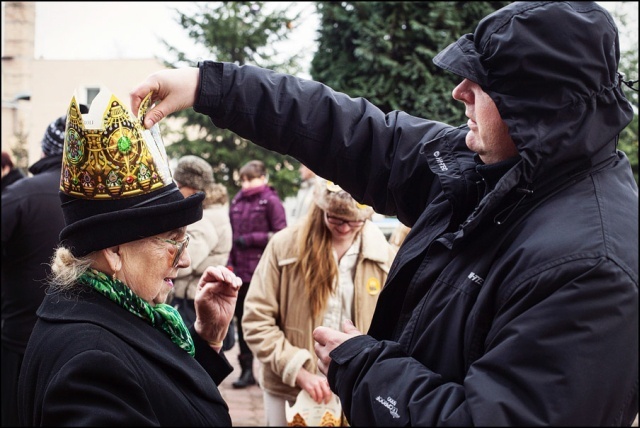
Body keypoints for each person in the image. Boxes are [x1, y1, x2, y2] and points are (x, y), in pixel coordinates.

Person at [130, 2, 639, 425]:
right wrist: (209, 86)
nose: (459, 91)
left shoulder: (591, 267)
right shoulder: (489, 167)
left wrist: (362, 365)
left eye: (482, 84)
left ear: (536, 108)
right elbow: (351, 131)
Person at [17, 92, 242, 426]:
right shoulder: (91, 364)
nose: (184, 260)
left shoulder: (106, 308)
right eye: (173, 241)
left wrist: (206, 338)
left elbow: (158, 395)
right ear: (113, 251)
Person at [242, 179, 397, 426]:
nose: (345, 228)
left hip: (353, 393)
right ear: (321, 209)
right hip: (289, 391)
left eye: (355, 221)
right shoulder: (284, 247)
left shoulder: (384, 257)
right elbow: (256, 319)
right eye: (335, 218)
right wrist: (297, 370)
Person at [1, 108, 85, 427]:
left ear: (45, 150)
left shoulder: (18, 195)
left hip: (21, 338)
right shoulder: (105, 197)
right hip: (87, 339)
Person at [228, 159, 288, 388]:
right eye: (243, 179)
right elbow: (232, 237)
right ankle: (246, 371)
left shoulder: (271, 201)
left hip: (264, 272)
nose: (246, 184)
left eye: (250, 178)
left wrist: (252, 240)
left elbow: (281, 235)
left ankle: (274, 368)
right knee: (243, 322)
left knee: (267, 321)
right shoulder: (237, 202)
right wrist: (230, 263)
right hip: (241, 273)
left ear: (263, 178)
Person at [168, 155, 233, 334]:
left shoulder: (206, 217)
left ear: (193, 186)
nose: (176, 191)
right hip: (192, 299)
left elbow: (184, 262)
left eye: (179, 186)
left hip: (192, 304)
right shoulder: (206, 211)